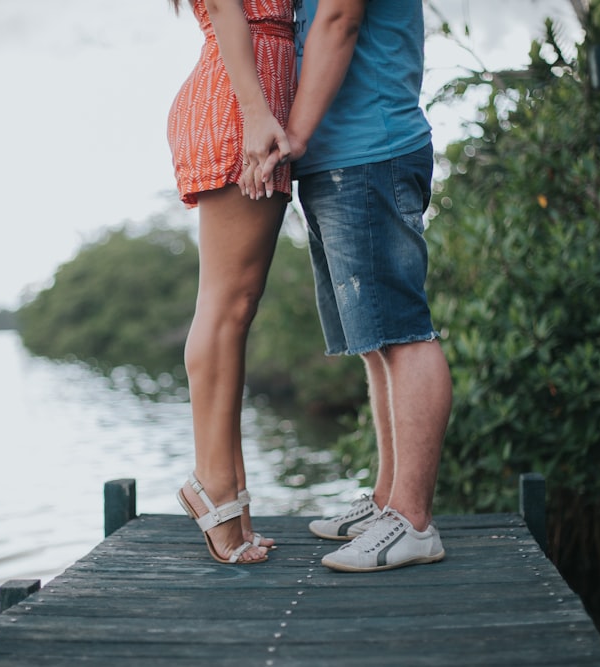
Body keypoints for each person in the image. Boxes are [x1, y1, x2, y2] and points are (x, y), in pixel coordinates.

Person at [247, 0, 452, 572]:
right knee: (377, 340)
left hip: (370, 148)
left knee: (403, 334)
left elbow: (339, 16)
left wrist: (295, 136)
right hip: (349, 154)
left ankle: (412, 523)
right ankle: (388, 504)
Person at [167, 0, 296, 564]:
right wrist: (255, 113)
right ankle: (213, 487)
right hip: (243, 103)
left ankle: (230, 495)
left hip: (255, 96)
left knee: (234, 309)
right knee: (225, 306)